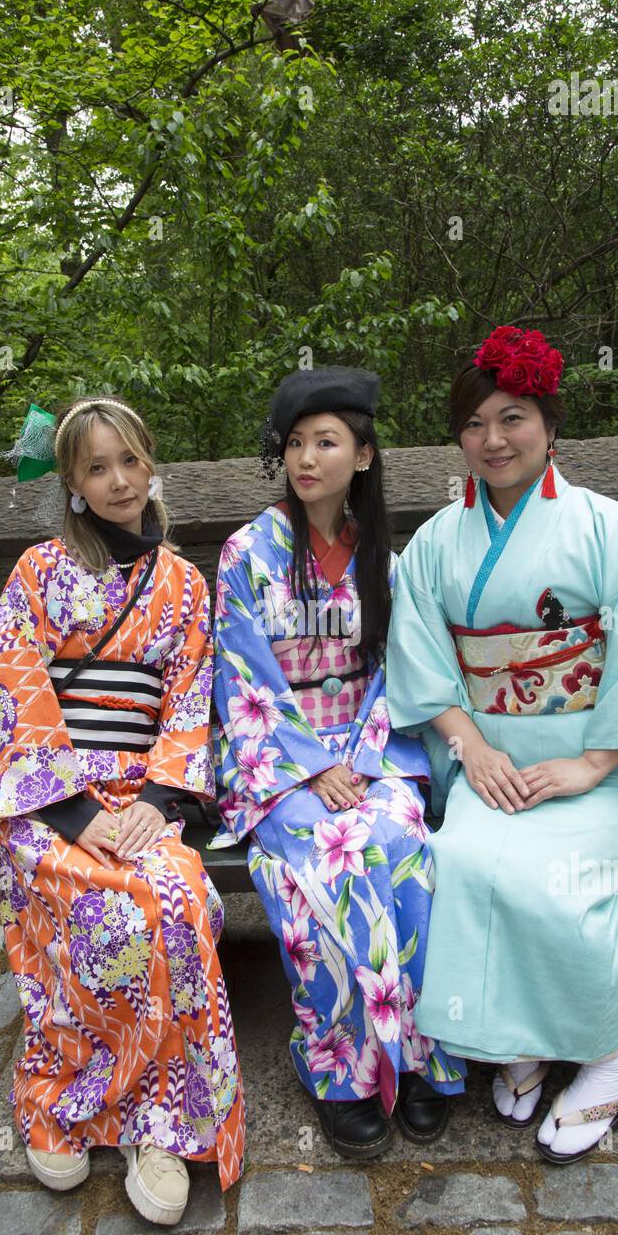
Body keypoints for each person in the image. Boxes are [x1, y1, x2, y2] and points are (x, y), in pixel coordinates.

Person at [385, 327, 618, 1163]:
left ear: (550, 424)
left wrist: (592, 764)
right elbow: (420, 661)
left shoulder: (611, 531)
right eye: (475, 424)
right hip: (492, 762)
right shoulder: (434, 546)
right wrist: (470, 748)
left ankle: (605, 1062)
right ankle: (518, 1042)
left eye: (514, 418)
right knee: (465, 860)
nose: (493, 440)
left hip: (603, 763)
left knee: (571, 876)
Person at [0, 396, 245, 1222]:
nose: (118, 481)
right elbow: (9, 694)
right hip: (48, 792)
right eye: (96, 468)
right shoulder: (39, 571)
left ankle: (164, 1123)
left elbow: (191, 701)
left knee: (176, 899)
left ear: (151, 465)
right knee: (92, 900)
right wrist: (76, 811)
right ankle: (64, 1098)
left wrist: (155, 799)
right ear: (74, 485)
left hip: (143, 789)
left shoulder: (185, 584)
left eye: (130, 461)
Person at [209, 366, 466, 1159]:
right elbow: (242, 675)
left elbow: (398, 669)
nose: (307, 458)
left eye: (327, 442)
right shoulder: (247, 552)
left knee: (403, 850)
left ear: (363, 455)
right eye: (294, 443)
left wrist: (355, 758)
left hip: (371, 745)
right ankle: (339, 1070)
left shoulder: (382, 553)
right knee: (328, 862)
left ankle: (423, 1056)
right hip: (277, 759)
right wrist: (312, 766)